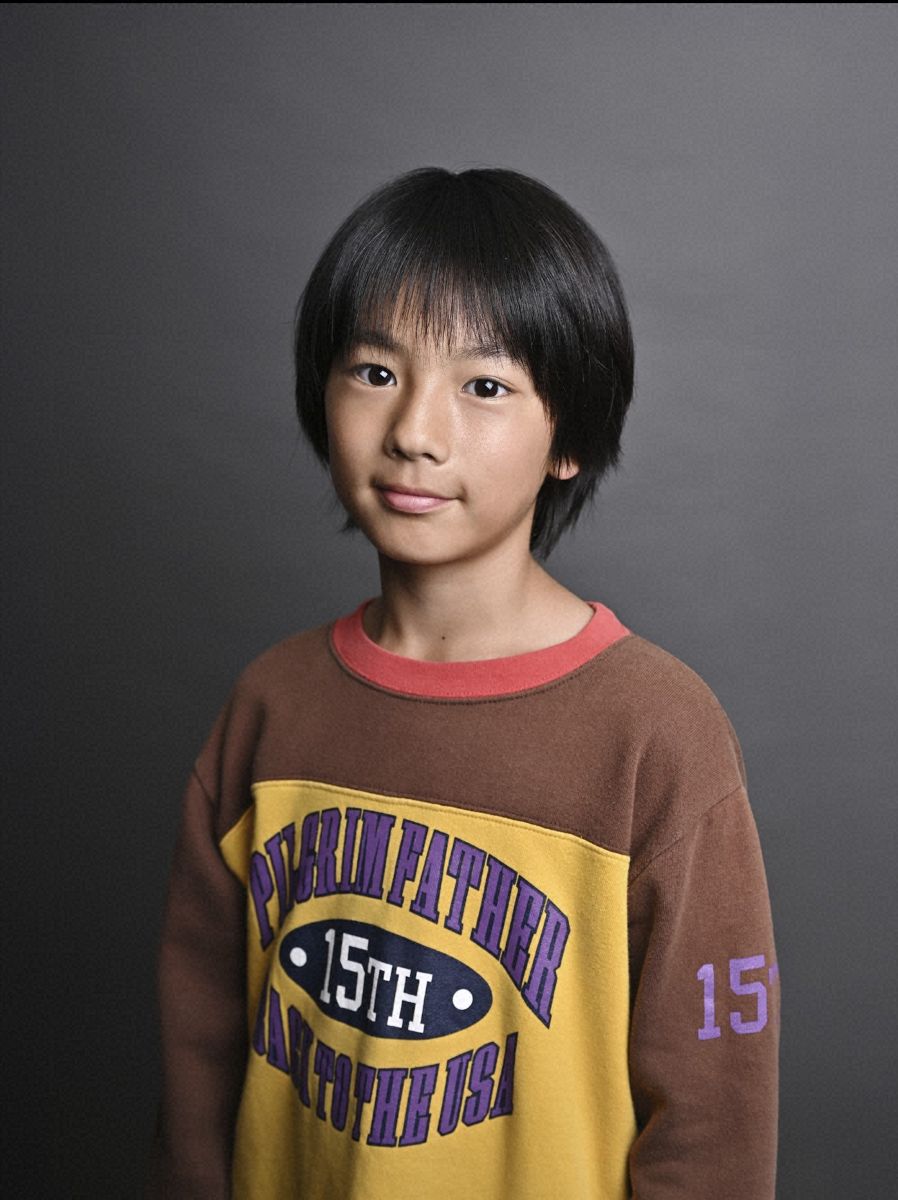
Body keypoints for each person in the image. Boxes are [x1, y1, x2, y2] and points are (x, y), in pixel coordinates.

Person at [149, 167, 779, 1199]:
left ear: (571, 436)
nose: (414, 431)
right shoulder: (270, 707)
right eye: (373, 371)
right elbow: (196, 1051)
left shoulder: (655, 732)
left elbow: (714, 1116)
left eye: (484, 387)